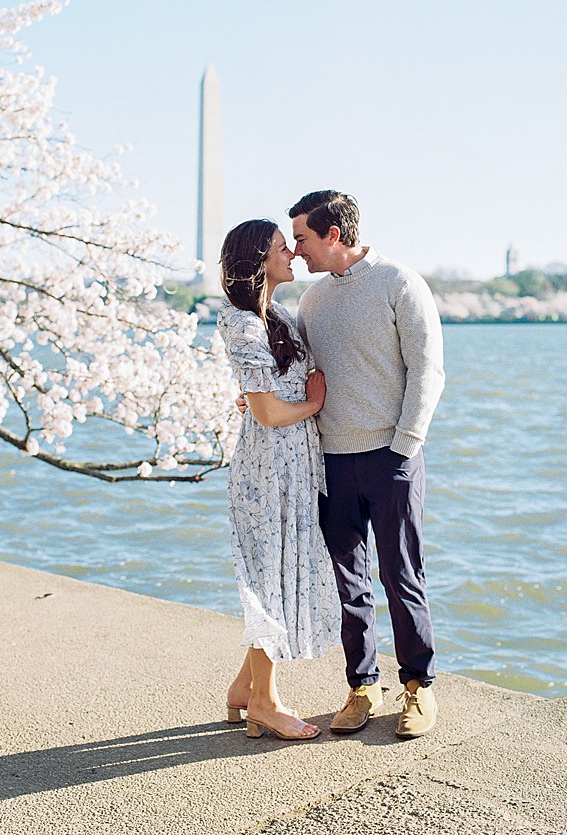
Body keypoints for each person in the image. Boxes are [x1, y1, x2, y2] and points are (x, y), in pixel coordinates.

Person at [287, 190, 445, 739]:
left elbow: (428, 371)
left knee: (401, 575)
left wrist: (405, 445)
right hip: (331, 459)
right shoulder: (312, 302)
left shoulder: (400, 283)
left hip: (391, 456)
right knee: (348, 580)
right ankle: (362, 685)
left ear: (333, 235)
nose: (296, 249)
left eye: (303, 238)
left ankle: (418, 688)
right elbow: (303, 377)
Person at [217, 218, 341, 741]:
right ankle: (264, 704)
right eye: (278, 246)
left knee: (282, 569)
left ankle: (243, 690)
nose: (290, 251)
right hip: (267, 469)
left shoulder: (280, 316)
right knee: (269, 575)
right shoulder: (243, 325)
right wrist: (313, 403)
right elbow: (267, 413)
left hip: (294, 464)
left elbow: (261, 397)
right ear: (256, 260)